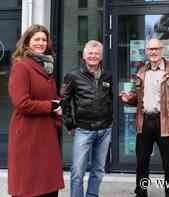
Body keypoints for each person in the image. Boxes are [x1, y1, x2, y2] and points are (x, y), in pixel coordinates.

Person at [120, 38, 169, 197]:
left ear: (162, 51)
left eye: (156, 49)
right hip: (144, 121)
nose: (153, 52)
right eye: (150, 49)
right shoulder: (141, 71)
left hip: (165, 121)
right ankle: (141, 193)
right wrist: (128, 99)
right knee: (142, 163)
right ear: (146, 52)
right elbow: (137, 98)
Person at [8, 24, 64, 197]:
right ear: (27, 42)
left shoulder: (46, 67)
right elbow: (22, 102)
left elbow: (51, 97)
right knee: (29, 187)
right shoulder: (21, 67)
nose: (41, 43)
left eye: (44, 40)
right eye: (36, 39)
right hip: (28, 135)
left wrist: (60, 104)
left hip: (45, 133)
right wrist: (52, 106)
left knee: (47, 187)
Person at [61, 40, 113, 197]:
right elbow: (64, 102)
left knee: (98, 170)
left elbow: (110, 99)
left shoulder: (107, 75)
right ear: (84, 56)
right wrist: (70, 124)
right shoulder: (73, 76)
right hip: (83, 129)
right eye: (90, 53)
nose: (93, 56)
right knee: (77, 171)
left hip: (104, 130)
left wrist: (110, 121)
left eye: (97, 53)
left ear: (101, 56)